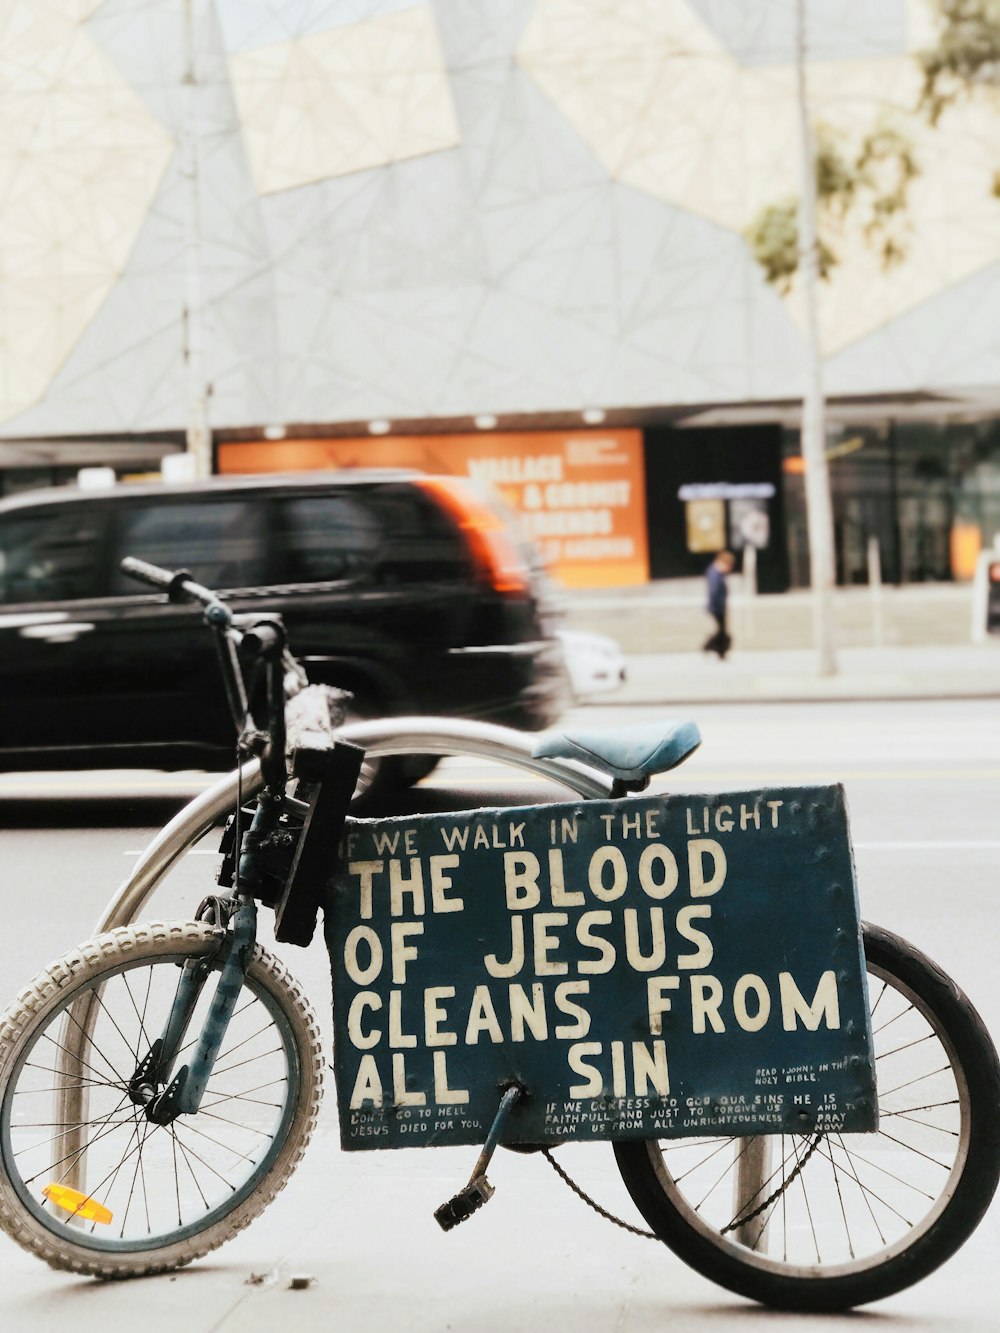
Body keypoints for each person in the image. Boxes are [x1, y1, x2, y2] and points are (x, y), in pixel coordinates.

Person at [703, 550, 734, 659]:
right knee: (721, 630)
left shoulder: (718, 573)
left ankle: (716, 649)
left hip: (719, 606)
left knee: (722, 629)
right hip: (717, 606)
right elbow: (714, 591)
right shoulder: (714, 573)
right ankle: (713, 648)